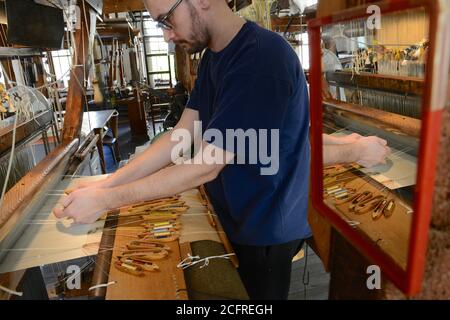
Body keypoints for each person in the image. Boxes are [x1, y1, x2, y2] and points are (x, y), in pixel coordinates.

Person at [54, 0, 390, 299]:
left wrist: (105, 201)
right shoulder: (216, 58)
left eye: (166, 20)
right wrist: (105, 184)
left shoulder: (261, 60)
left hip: (264, 228)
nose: (167, 35)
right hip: (235, 212)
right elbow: (180, 136)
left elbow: (205, 166)